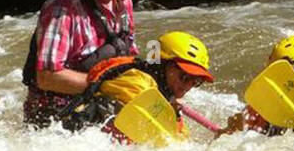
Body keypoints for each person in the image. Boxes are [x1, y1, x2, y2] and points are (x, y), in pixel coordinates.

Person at [22, 0, 151, 126]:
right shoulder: (62, 7)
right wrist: (105, 86)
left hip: (100, 106)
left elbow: (129, 56)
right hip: (56, 120)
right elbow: (46, 76)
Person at [58, 31, 214, 140]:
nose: (188, 86)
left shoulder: (163, 94)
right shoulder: (137, 84)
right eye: (184, 77)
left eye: (196, 81)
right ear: (161, 64)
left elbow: (180, 142)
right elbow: (169, 144)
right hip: (72, 143)